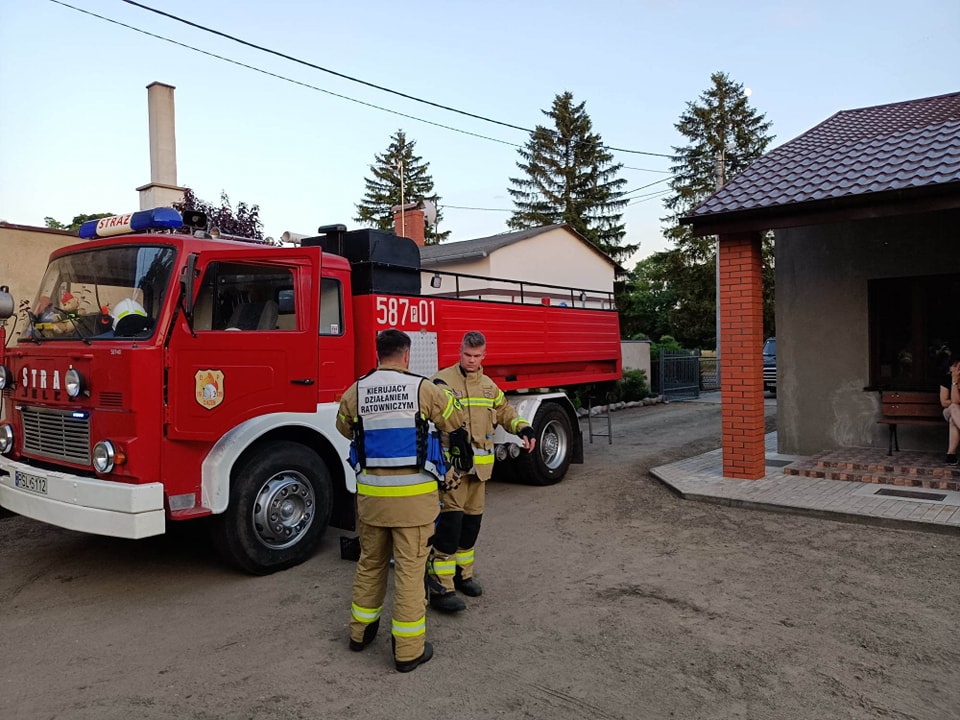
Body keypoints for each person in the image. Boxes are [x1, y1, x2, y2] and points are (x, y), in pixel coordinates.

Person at [336, 329, 464, 672]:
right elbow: (454, 419)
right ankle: (407, 652)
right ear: (406, 355)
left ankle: (359, 634)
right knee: (409, 573)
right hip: (414, 504)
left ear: (377, 354)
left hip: (372, 502)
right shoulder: (423, 389)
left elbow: (343, 428)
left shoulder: (357, 390)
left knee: (370, 565)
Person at [426, 330, 536, 612]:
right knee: (449, 528)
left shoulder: (489, 386)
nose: (471, 360)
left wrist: (522, 427)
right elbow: (428, 419)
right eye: (467, 355)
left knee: (470, 527)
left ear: (484, 356)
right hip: (452, 473)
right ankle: (441, 587)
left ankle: (464, 576)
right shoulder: (441, 381)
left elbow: (505, 412)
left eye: (476, 356)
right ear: (459, 352)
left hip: (480, 473)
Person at [940, 354, 960, 464]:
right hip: (949, 410)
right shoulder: (946, 379)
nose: (956, 368)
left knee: (954, 419)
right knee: (953, 408)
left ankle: (951, 454)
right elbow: (944, 402)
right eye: (954, 366)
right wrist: (954, 381)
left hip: (956, 414)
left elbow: (955, 400)